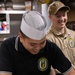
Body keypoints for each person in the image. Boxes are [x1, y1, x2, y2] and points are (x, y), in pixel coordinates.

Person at [0, 11, 75, 75]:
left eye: (42, 42)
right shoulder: (7, 47)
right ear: (21, 37)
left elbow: (70, 72)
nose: (38, 48)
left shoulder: (51, 48)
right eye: (32, 44)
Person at [46, 1, 75, 75]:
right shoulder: (47, 39)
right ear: (50, 17)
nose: (62, 19)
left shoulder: (73, 35)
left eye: (64, 15)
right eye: (58, 16)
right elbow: (50, 67)